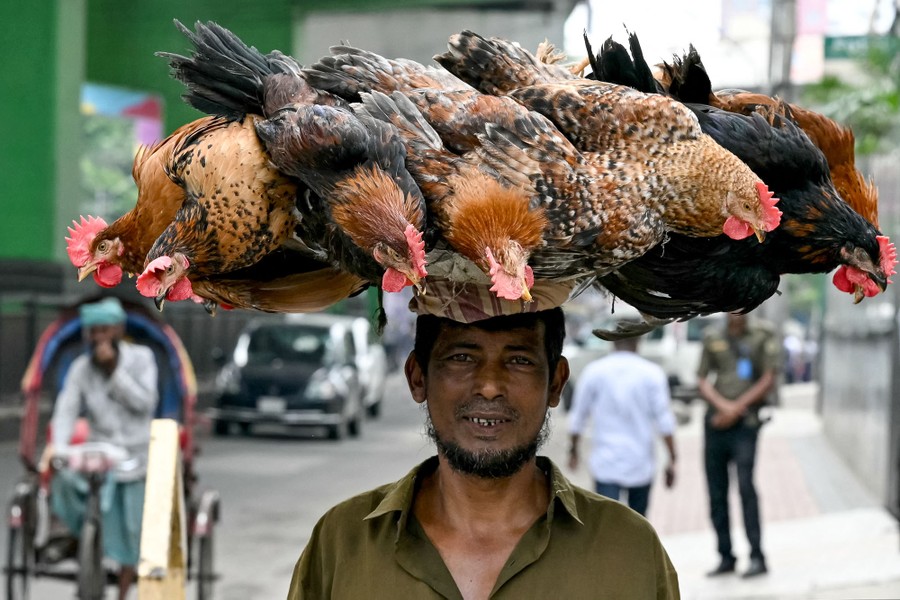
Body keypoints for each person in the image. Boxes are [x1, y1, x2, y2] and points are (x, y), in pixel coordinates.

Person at [288, 307, 679, 599]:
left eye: (519, 360)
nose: (490, 385)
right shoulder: (341, 543)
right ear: (418, 377)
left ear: (556, 383)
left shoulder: (630, 551)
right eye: (462, 357)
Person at [50, 297, 159, 600]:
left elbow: (146, 403)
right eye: (94, 331)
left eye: (105, 330)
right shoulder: (81, 368)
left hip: (137, 456)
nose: (99, 338)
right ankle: (78, 540)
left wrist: (114, 371)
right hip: (100, 455)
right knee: (64, 481)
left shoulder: (142, 358)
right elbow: (66, 410)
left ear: (118, 330)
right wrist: (59, 448)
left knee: (133, 529)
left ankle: (124, 590)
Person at [697, 312, 779, 579]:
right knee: (716, 491)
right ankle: (725, 556)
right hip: (716, 423)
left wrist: (736, 409)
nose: (736, 312)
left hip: (746, 424)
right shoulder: (712, 336)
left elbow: (768, 378)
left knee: (746, 487)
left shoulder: (762, 334)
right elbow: (702, 379)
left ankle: (757, 556)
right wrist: (723, 408)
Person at [567, 334, 677, 516]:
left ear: (613, 342)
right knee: (638, 526)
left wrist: (573, 450)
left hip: (606, 463)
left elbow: (578, 417)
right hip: (640, 463)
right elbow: (665, 422)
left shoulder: (594, 371)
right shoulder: (651, 373)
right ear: (638, 342)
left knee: (606, 526)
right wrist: (672, 458)